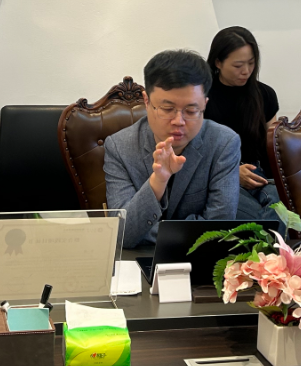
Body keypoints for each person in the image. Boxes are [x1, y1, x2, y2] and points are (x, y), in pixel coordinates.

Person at [104, 49, 241, 248]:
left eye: (191, 111)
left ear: (205, 104)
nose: (179, 121)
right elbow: (122, 233)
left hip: (200, 259)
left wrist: (149, 231)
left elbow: (219, 229)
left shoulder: (224, 143)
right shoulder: (119, 147)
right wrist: (158, 181)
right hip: (139, 260)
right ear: (146, 101)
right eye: (167, 109)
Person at [205, 27, 281, 223]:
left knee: (281, 210)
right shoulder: (201, 97)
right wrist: (231, 173)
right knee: (252, 215)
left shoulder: (265, 95)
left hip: (259, 176)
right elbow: (194, 152)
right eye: (238, 65)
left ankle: (266, 244)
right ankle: (263, 242)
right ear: (218, 62)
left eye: (251, 63)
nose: (246, 71)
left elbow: (273, 148)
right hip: (218, 177)